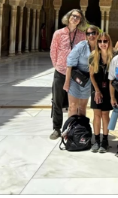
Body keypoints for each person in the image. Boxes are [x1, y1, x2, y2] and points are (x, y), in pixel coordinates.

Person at [49, 9, 87, 140]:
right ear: (68, 17)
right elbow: (53, 51)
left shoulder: (82, 35)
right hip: (60, 71)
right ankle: (57, 128)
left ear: (80, 20)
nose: (75, 18)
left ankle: (72, 127)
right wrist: (58, 65)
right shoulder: (58, 34)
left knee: (74, 103)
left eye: (78, 17)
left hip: (75, 72)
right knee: (57, 100)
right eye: (73, 16)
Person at [64, 25, 100, 118]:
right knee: (72, 106)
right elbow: (70, 63)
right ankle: (70, 129)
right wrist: (67, 82)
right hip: (76, 78)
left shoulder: (100, 46)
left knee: (82, 107)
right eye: (88, 33)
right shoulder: (81, 46)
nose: (91, 35)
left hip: (88, 80)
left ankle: (81, 130)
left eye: (93, 33)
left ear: (98, 34)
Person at [89, 32, 114, 153]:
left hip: (108, 89)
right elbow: (91, 76)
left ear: (109, 42)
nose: (102, 44)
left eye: (105, 41)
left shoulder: (113, 56)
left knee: (105, 115)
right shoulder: (93, 56)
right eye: (100, 41)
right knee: (97, 115)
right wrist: (97, 91)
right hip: (96, 88)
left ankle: (105, 140)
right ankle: (97, 140)